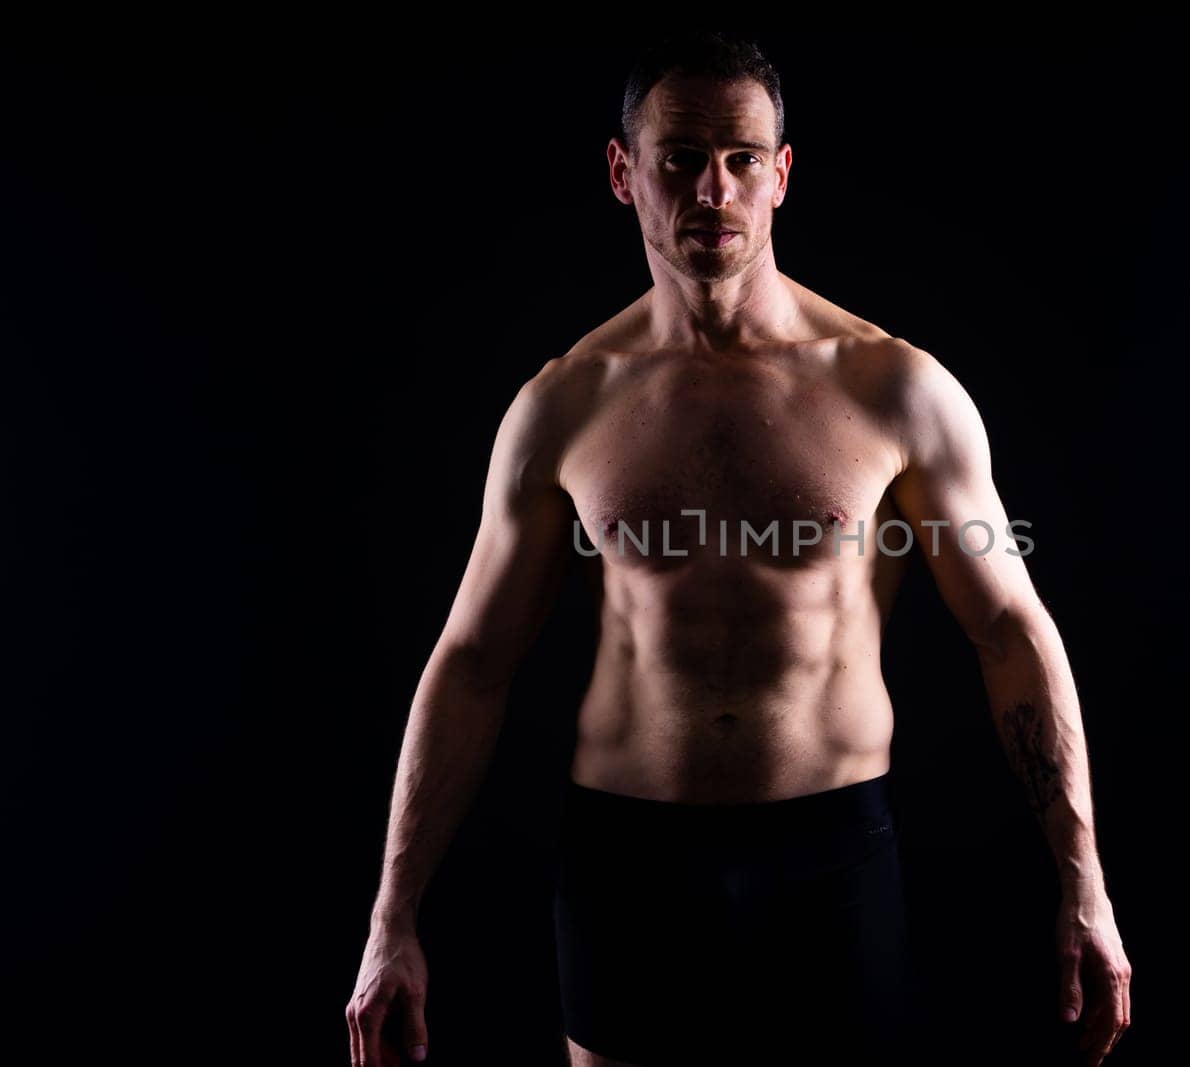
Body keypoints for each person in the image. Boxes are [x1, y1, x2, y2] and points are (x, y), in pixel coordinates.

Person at [345, 31, 1131, 1067]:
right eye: (677, 157)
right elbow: (473, 661)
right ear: (625, 172)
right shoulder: (562, 407)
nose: (711, 188)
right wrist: (389, 917)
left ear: (780, 174)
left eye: (740, 157)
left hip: (832, 852)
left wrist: (1085, 880)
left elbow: (1008, 629)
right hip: (628, 855)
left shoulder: (893, 389)